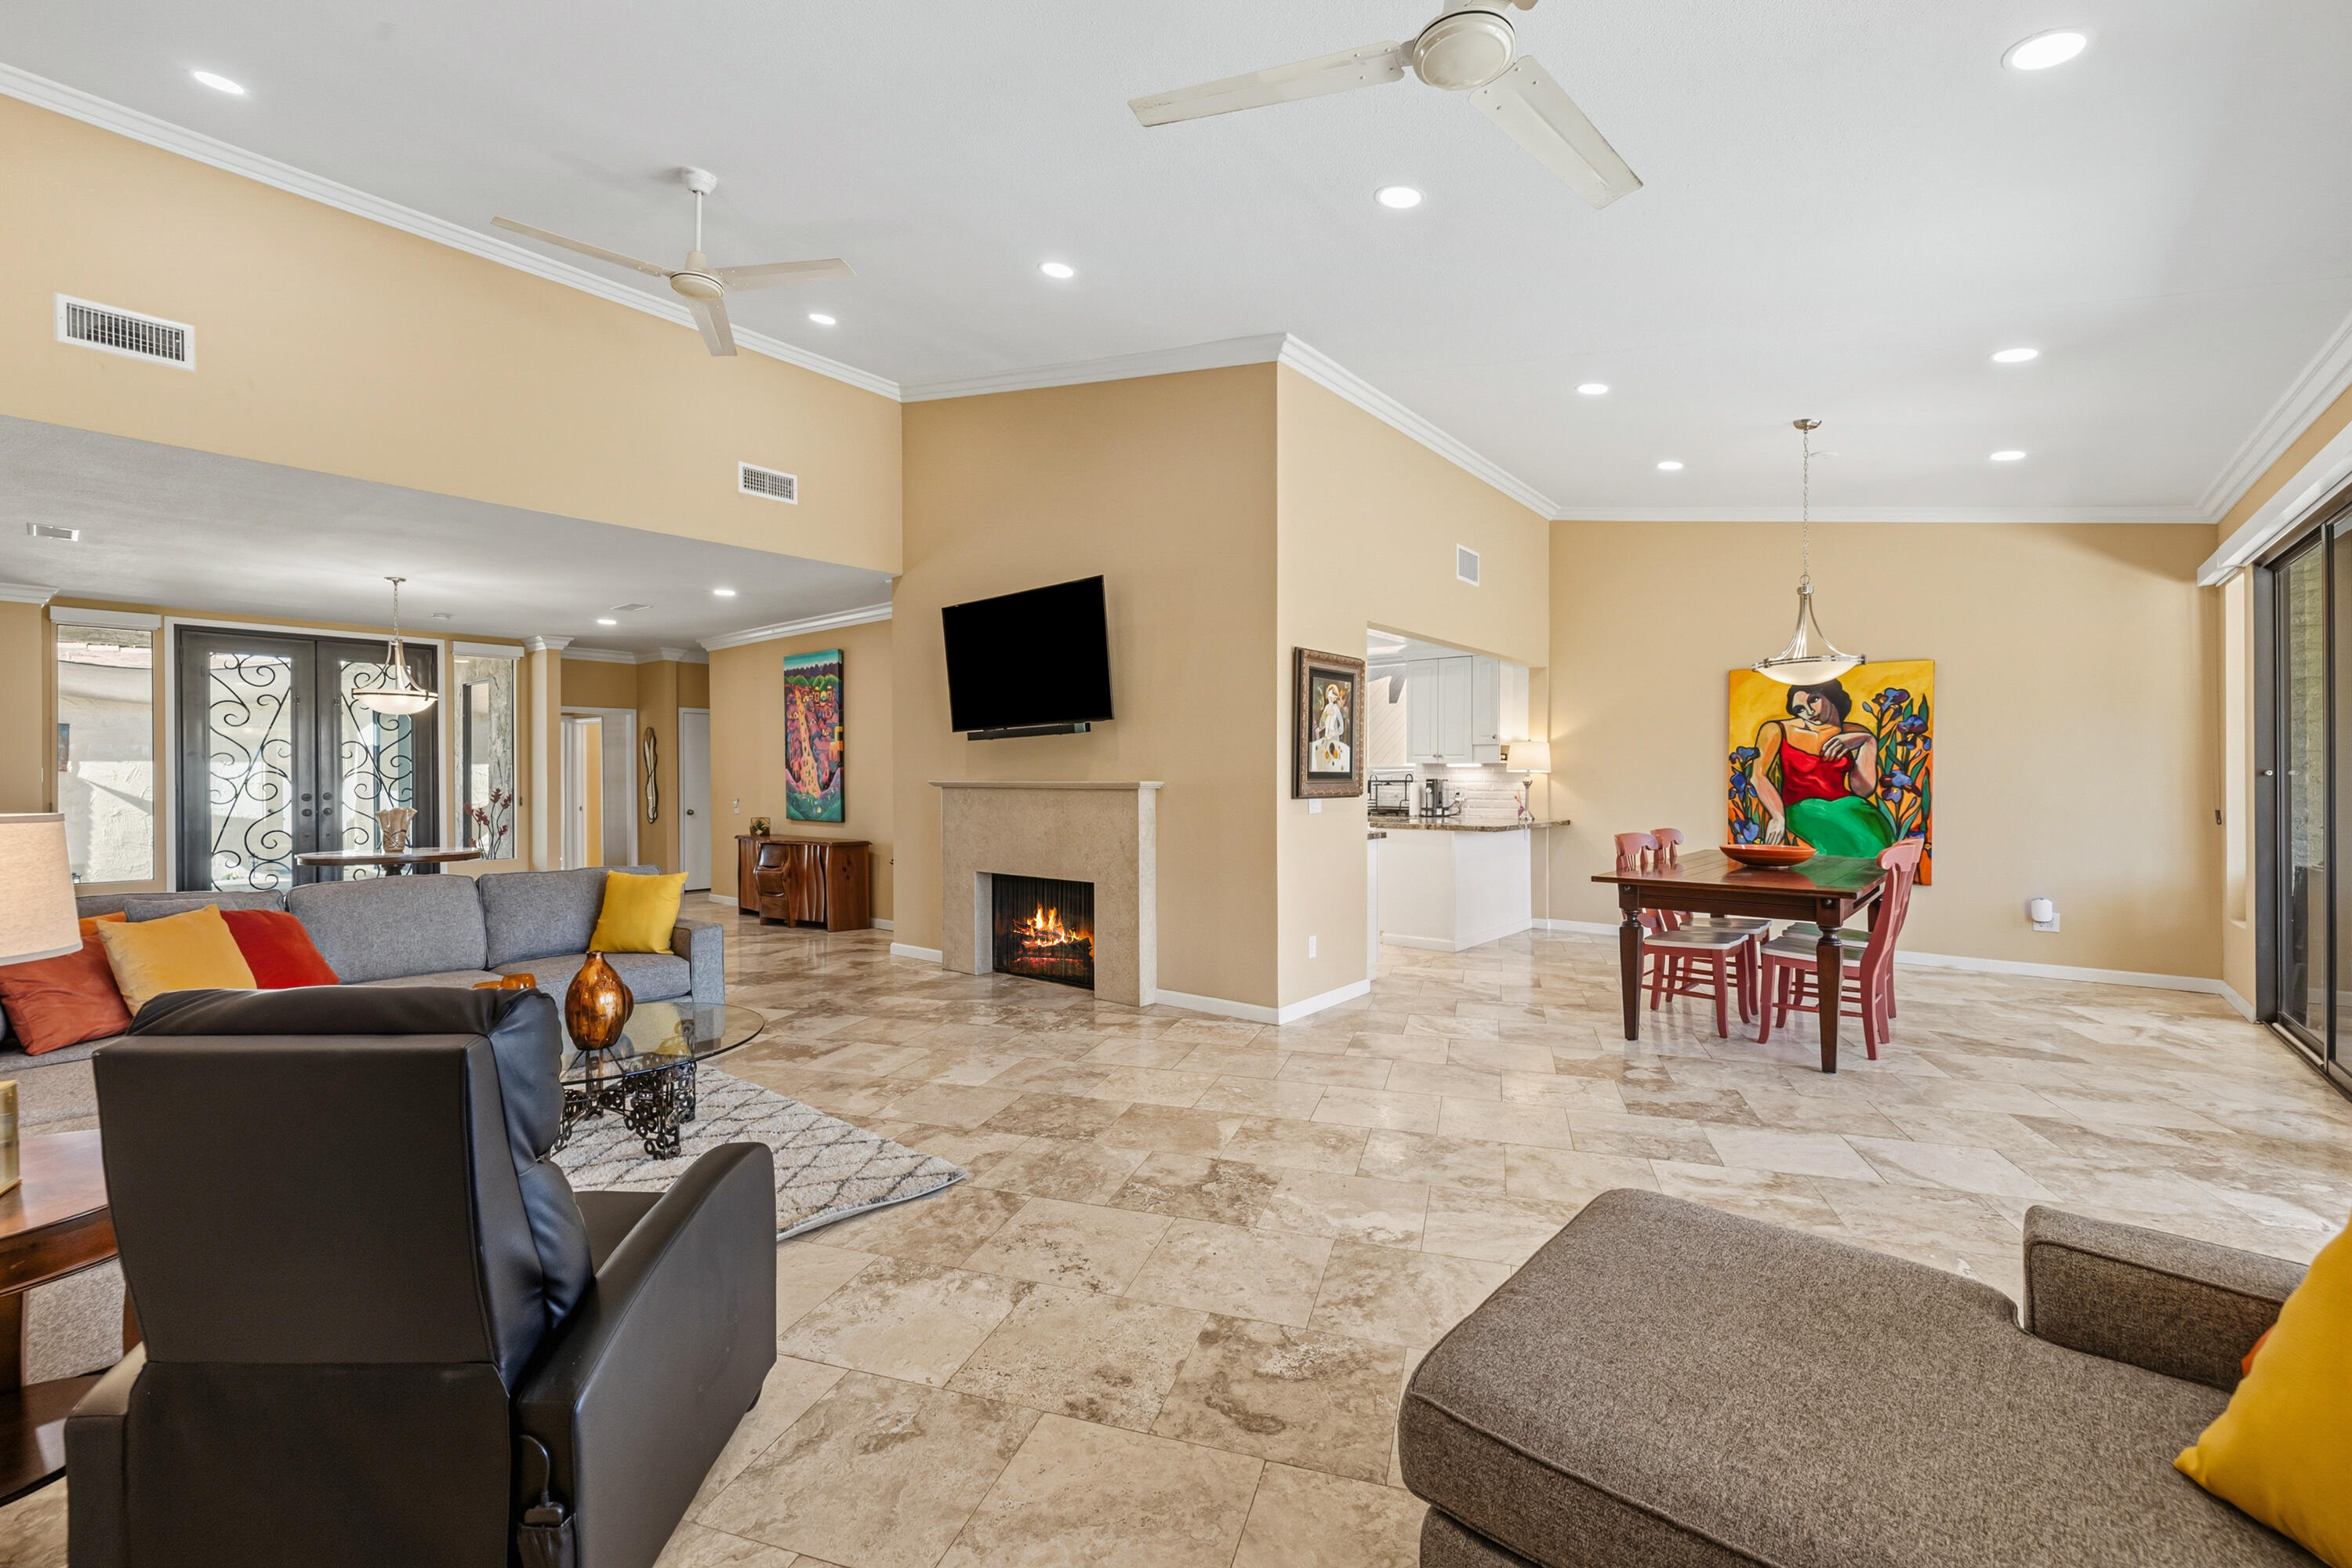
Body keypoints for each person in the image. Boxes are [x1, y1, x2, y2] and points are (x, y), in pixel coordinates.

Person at [1746, 680, 1896, 858]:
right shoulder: (1776, 729)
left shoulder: (1854, 732)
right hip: (1803, 808)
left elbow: (1862, 790)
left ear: (1831, 696)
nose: (1809, 712)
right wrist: (1778, 816)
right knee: (1863, 846)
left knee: (1881, 843)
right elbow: (1758, 775)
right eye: (1799, 709)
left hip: (1851, 807)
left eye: (1814, 700)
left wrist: (1868, 742)